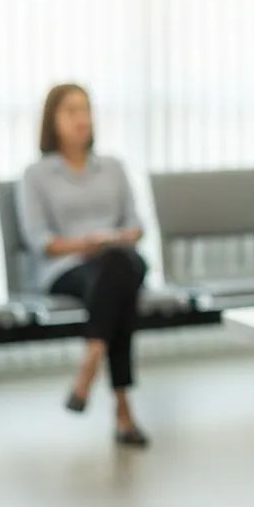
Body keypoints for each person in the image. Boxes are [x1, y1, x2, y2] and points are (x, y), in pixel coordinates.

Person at [18, 84, 149, 447]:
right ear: (52, 119)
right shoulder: (37, 175)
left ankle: (92, 355)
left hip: (119, 257)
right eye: (71, 111)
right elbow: (39, 241)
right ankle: (123, 409)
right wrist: (86, 243)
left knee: (118, 270)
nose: (81, 119)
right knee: (119, 288)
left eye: (86, 110)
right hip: (67, 267)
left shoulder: (113, 168)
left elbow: (137, 226)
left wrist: (113, 239)